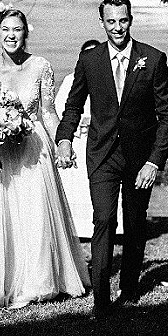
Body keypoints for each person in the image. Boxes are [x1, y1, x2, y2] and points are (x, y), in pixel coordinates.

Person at [0, 9, 89, 315]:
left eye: (18, 29)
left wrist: (63, 142)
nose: (12, 35)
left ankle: (34, 282)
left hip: (32, 151)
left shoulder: (40, 66)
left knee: (34, 217)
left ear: (25, 33)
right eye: (6, 29)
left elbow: (47, 112)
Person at [56, 0, 168, 319]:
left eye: (123, 20)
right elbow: (72, 106)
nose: (117, 28)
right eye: (111, 21)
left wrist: (154, 162)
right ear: (102, 22)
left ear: (131, 20)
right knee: (104, 219)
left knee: (135, 222)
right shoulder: (90, 60)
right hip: (102, 155)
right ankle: (101, 300)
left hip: (140, 159)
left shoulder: (153, 59)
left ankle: (130, 288)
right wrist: (64, 139)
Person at [54, 39, 100, 238]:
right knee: (75, 186)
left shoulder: (109, 79)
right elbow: (60, 110)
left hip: (98, 140)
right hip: (78, 139)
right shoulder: (70, 80)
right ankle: (76, 228)